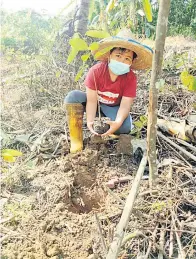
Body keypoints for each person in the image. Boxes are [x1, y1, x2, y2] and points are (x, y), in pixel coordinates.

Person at [64, 29, 153, 153]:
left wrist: (117, 122)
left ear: (131, 62)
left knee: (124, 127)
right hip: (96, 105)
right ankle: (76, 143)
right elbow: (91, 100)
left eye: (127, 58)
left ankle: (109, 126)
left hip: (113, 108)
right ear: (109, 56)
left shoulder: (130, 78)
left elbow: (125, 105)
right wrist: (90, 121)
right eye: (118, 56)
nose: (122, 61)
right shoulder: (96, 71)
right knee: (72, 97)